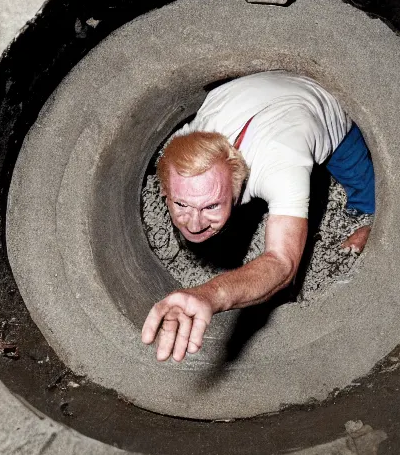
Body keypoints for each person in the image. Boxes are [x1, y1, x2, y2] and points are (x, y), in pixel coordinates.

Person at [141, 71, 375, 362]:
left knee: (367, 191)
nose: (194, 224)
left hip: (316, 105)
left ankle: (367, 218)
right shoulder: (183, 143)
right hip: (246, 92)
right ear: (165, 189)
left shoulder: (283, 167)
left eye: (211, 206)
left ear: (240, 186)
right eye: (182, 204)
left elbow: (282, 262)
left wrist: (209, 295)